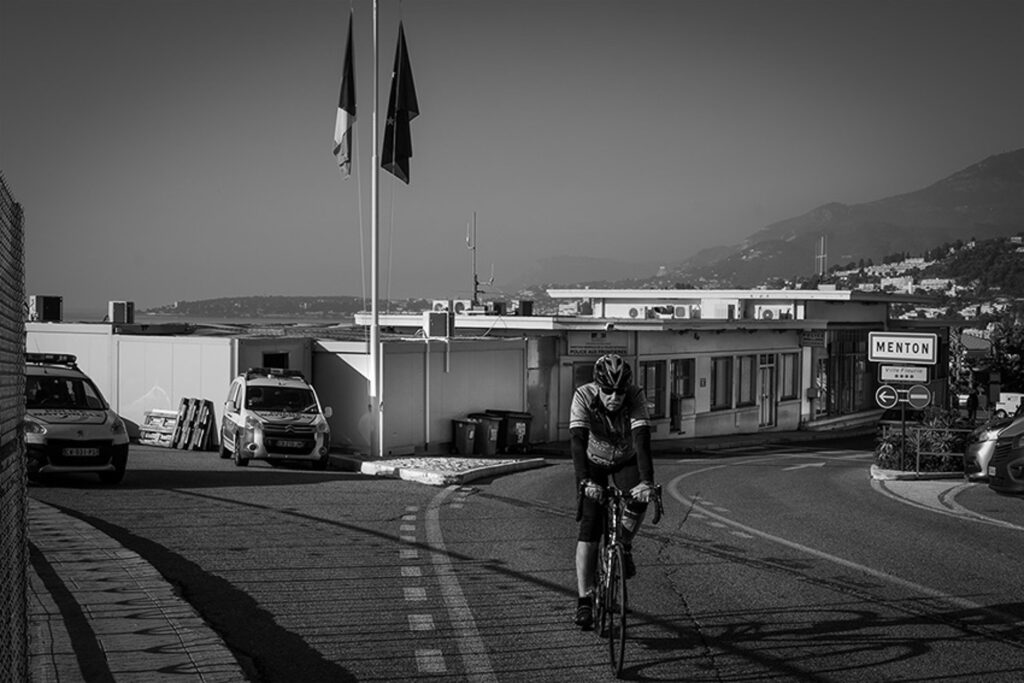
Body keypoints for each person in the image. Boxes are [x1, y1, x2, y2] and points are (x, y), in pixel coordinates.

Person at [570, 353, 656, 630]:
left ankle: (624, 544)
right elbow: (576, 441)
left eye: (619, 391)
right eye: (608, 391)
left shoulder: (635, 396)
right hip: (593, 462)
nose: (614, 397)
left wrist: (647, 483)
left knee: (639, 498)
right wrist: (585, 482)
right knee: (590, 531)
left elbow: (642, 440)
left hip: (625, 458)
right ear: (598, 386)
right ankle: (584, 601)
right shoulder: (583, 396)